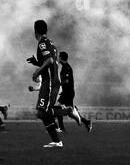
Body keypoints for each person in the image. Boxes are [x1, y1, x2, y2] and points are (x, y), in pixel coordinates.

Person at [27, 19, 63, 147]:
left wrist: (37, 72)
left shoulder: (42, 43)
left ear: (35, 31)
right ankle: (57, 141)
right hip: (51, 81)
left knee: (42, 112)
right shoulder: (51, 43)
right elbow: (50, 61)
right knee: (42, 113)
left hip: (50, 82)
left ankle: (67, 111)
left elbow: (49, 61)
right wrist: (36, 62)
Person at [55, 51, 92, 133]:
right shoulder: (64, 67)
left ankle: (61, 128)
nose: (58, 58)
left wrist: (57, 84)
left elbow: (67, 81)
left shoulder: (66, 68)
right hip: (67, 92)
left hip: (68, 93)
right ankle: (86, 122)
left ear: (61, 57)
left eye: (58, 56)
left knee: (58, 108)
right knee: (68, 112)